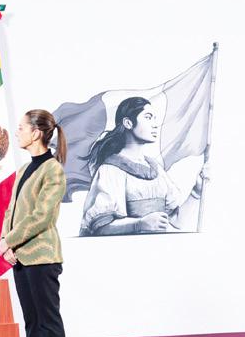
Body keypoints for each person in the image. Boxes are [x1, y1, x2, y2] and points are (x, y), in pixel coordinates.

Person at [0, 109, 68, 337]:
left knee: (48, 320)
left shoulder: (53, 170)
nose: (17, 132)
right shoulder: (23, 170)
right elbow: (11, 211)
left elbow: (42, 216)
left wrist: (9, 240)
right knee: (32, 321)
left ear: (36, 132)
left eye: (21, 127)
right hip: (21, 256)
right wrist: (5, 242)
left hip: (42, 257)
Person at [79, 96, 193, 236]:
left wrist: (196, 192)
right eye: (148, 117)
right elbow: (100, 227)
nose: (155, 125)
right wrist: (139, 224)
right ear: (128, 123)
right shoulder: (111, 170)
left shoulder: (156, 169)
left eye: (154, 118)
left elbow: (177, 221)